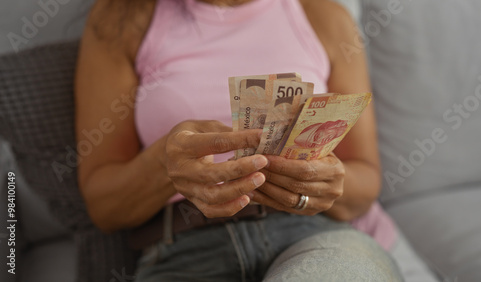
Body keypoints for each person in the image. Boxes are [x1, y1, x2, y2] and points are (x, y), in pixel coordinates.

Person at [75, 0, 436, 281]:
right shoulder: (121, 19)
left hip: (314, 235)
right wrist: (163, 166)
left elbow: (365, 178)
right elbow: (104, 208)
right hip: (183, 247)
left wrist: (327, 187)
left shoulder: (325, 17)